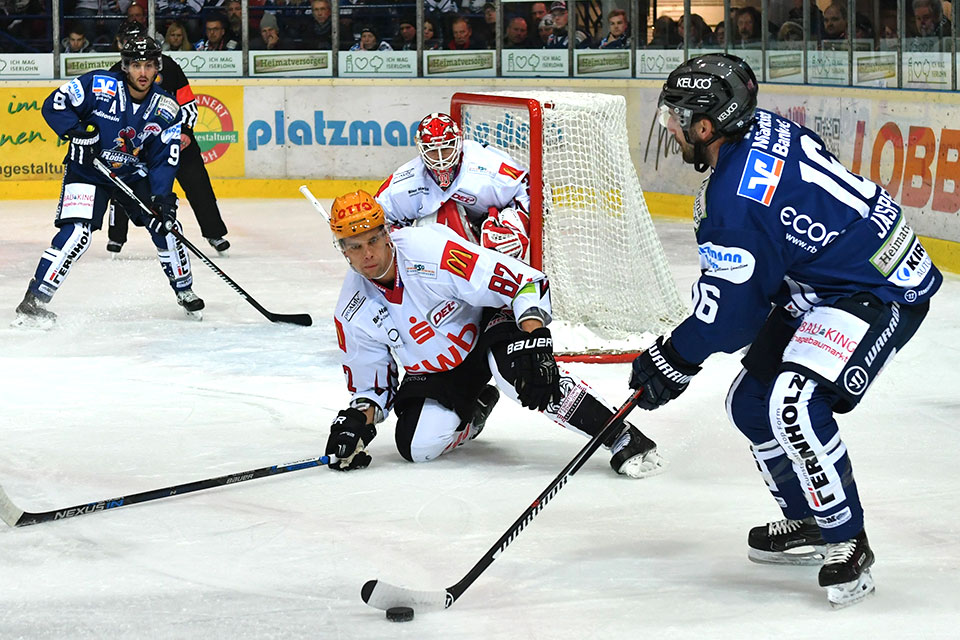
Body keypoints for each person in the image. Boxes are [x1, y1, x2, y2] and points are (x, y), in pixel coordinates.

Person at [640, 53, 942, 608]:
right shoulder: (761, 126)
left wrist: (673, 357)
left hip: (881, 286)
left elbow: (732, 315)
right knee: (749, 403)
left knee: (793, 404)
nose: (672, 128)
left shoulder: (734, 202)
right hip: (828, 279)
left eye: (677, 118)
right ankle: (807, 519)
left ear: (707, 126)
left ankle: (847, 538)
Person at [324, 190, 663, 478]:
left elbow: (525, 281)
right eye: (354, 247)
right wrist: (356, 422)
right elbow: (373, 386)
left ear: (386, 233)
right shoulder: (351, 310)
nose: (367, 254)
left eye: (372, 240)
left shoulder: (432, 251)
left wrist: (536, 343)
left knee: (524, 373)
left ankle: (620, 434)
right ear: (342, 250)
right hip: (436, 370)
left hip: (488, 326)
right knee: (415, 446)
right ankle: (477, 409)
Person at [14, 36, 204, 327]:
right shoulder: (100, 85)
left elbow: (164, 158)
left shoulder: (167, 108)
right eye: (137, 65)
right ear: (126, 66)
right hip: (88, 170)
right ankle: (36, 299)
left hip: (132, 172)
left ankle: (184, 289)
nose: (143, 72)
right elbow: (55, 104)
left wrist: (162, 197)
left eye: (149, 65)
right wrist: (76, 131)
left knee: (165, 225)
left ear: (157, 68)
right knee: (78, 233)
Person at [107, 20, 231, 256]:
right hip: (136, 143)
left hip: (173, 138)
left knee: (197, 182)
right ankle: (116, 237)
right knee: (121, 182)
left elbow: (188, 104)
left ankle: (214, 232)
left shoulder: (169, 67)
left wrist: (185, 131)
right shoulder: (115, 73)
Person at [375, 113, 532, 262]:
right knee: (434, 221)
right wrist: (402, 242)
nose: (441, 158)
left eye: (446, 148)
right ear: (421, 149)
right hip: (436, 254)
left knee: (508, 225)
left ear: (459, 142)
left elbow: (526, 186)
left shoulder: (487, 165)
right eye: (433, 151)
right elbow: (380, 216)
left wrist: (516, 226)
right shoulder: (407, 180)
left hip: (488, 232)